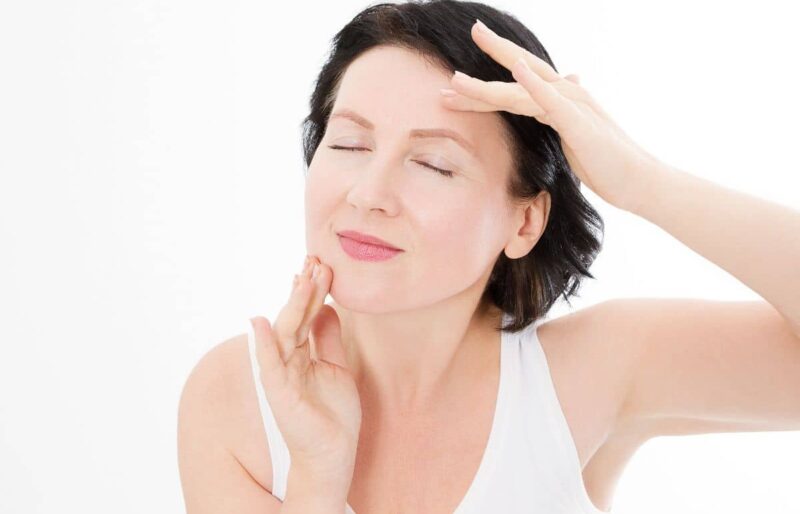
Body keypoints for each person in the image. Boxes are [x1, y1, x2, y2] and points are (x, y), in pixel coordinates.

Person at [177, 1, 800, 513]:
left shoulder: (593, 373)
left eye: (433, 163)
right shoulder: (237, 398)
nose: (369, 195)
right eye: (348, 143)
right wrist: (317, 476)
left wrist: (642, 182)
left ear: (525, 220)